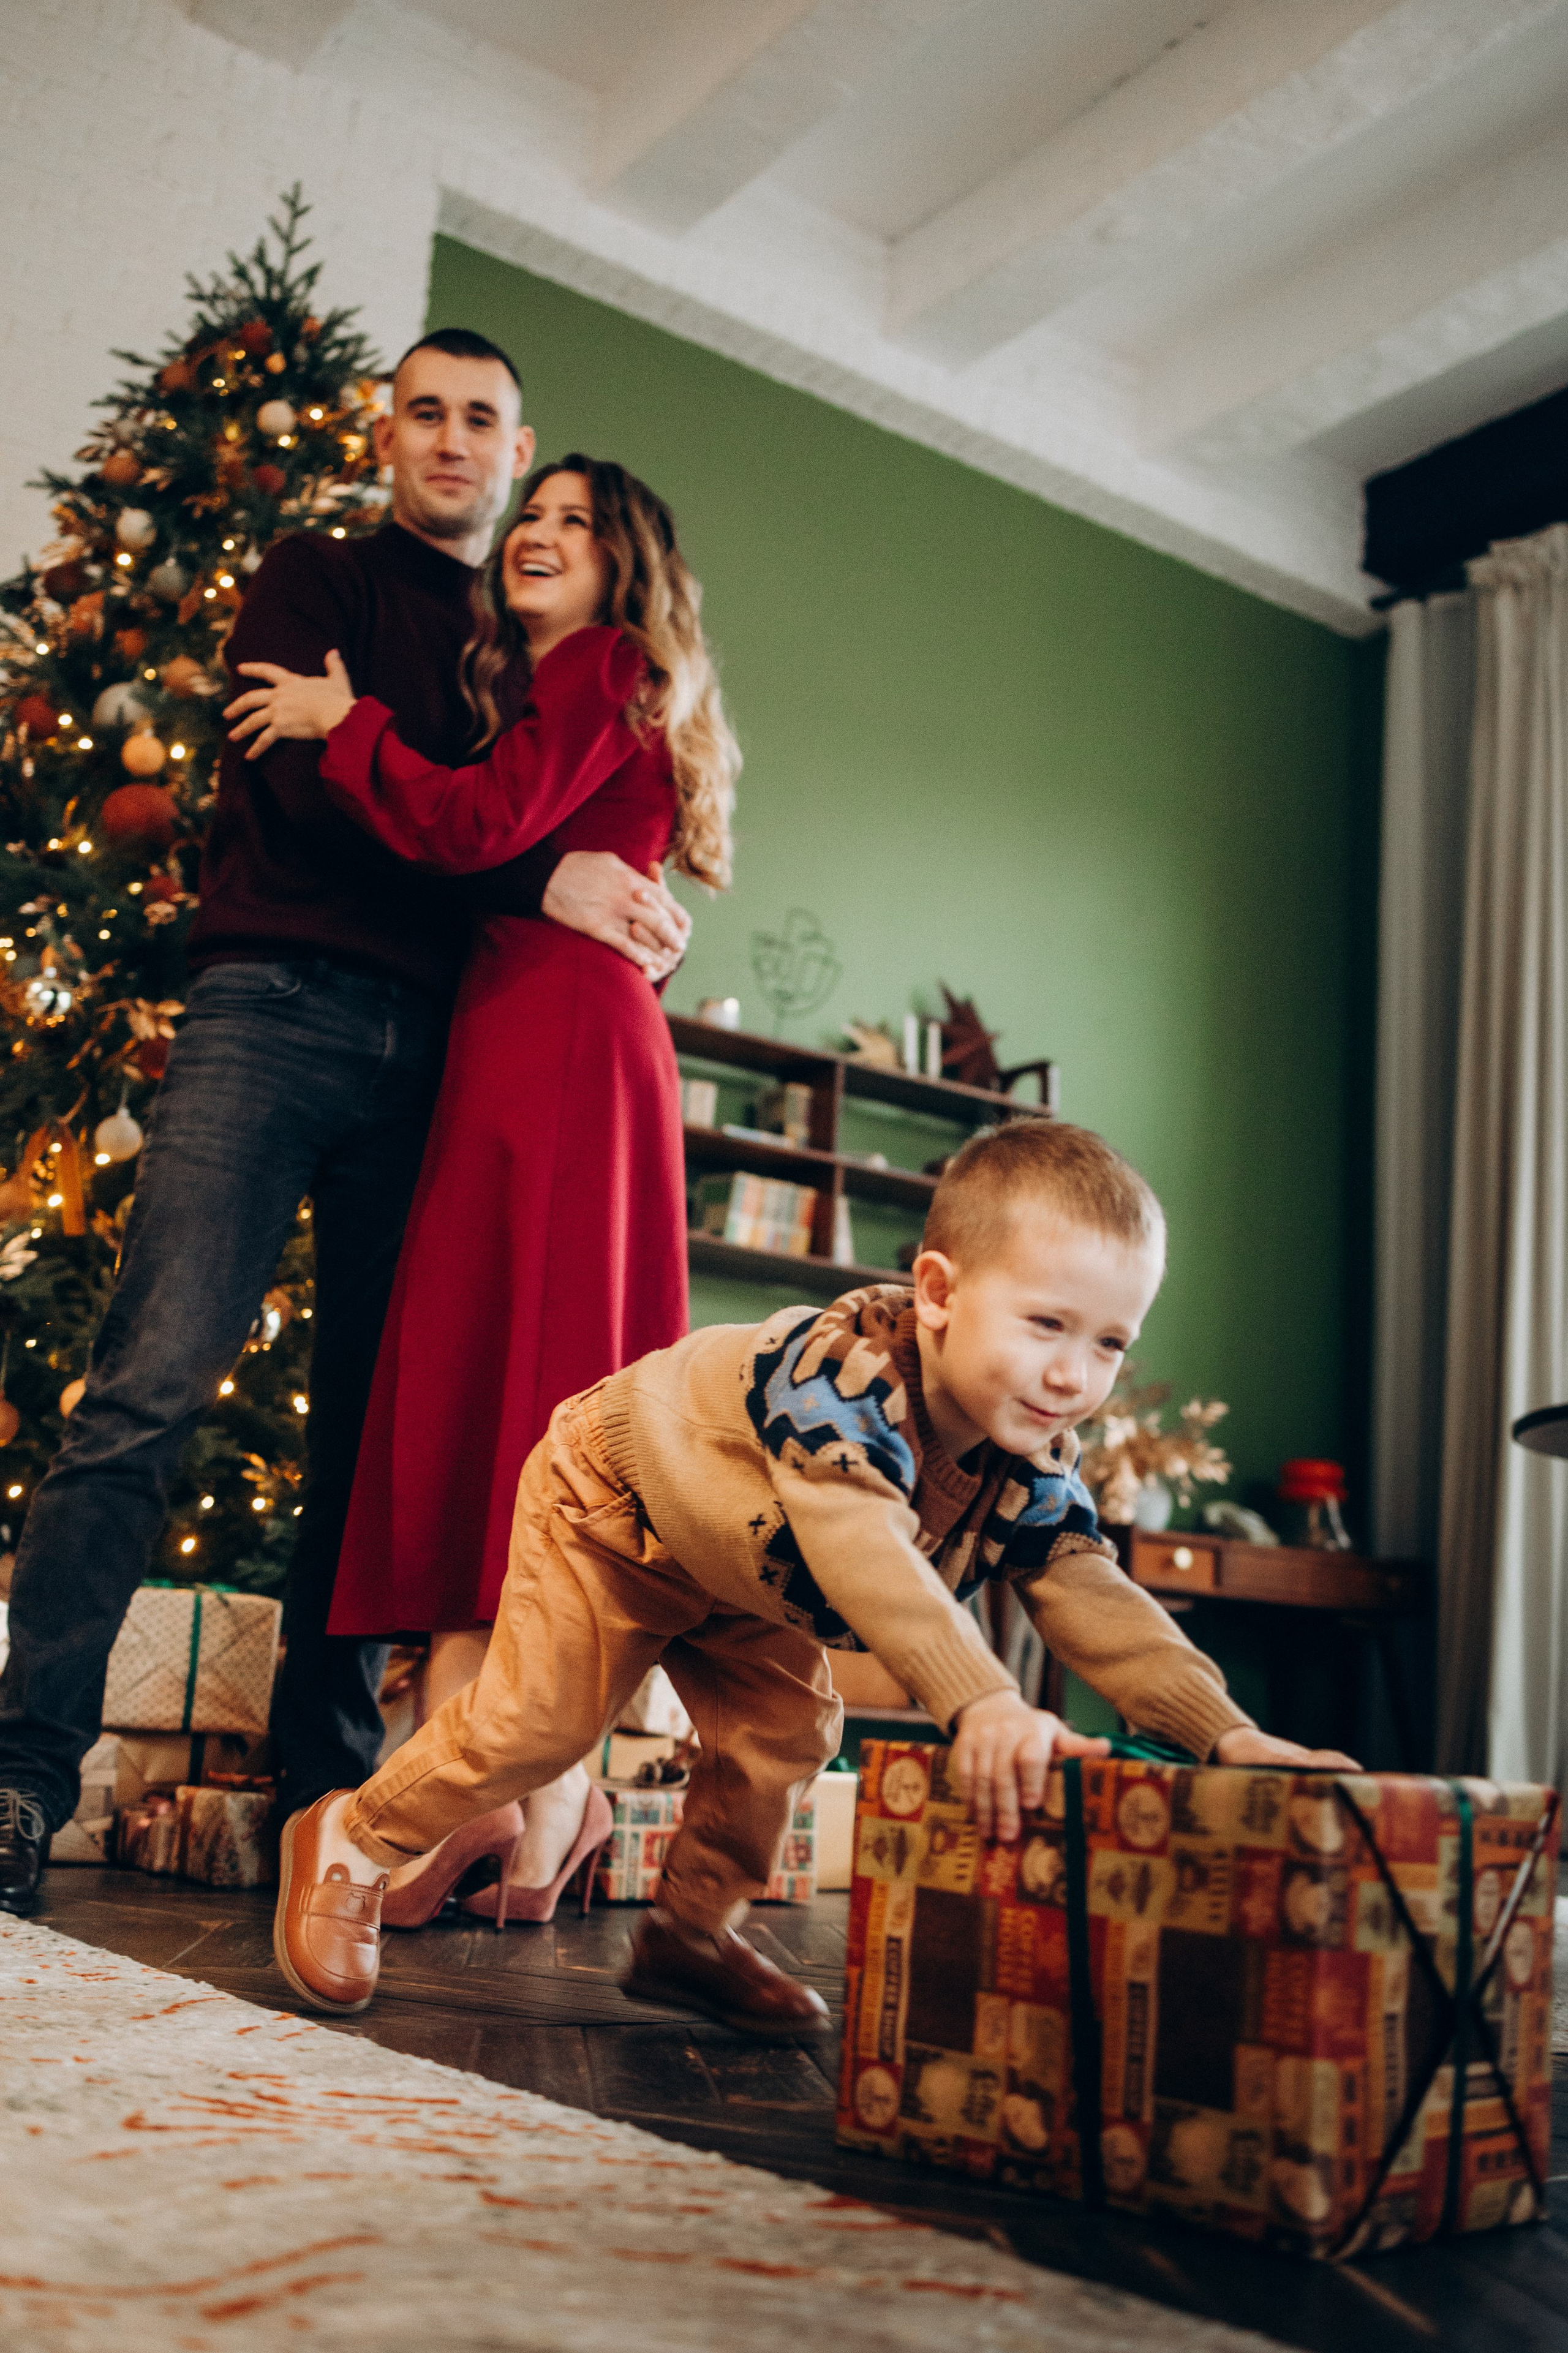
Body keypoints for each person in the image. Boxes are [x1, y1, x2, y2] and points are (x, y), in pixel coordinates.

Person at [0, 329, 691, 1914]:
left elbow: (536, 797)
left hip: (446, 1057)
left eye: (484, 422)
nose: (456, 444)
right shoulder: (313, 580)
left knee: (372, 1448)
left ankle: (331, 1809)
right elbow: (314, 795)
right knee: (149, 1389)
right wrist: (543, 879)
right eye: (428, 414)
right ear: (388, 435)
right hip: (274, 1009)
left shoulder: (534, 638)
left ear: (519, 450)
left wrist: (598, 880)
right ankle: (27, 1781)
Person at [271, 1118, 1358, 2030]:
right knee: (542, 1721)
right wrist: (978, 1698)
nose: (1076, 1374)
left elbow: (1087, 1584)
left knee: (787, 1735)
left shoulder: (1030, 1453)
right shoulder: (846, 1368)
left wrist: (1224, 1732)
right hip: (618, 1502)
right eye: (1046, 1325)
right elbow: (857, 1540)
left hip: (746, 1576)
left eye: (1112, 1343)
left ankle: (687, 1936)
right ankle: (352, 1836)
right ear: (936, 1290)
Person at [226, 454, 737, 1918]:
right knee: (504, 1422)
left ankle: (508, 1797)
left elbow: (470, 825)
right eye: (537, 514)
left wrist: (343, 721)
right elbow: (512, 841)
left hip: (557, 1053)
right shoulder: (557, 685)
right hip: (530, 1039)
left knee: (522, 1418)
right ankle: (517, 1799)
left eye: (576, 522)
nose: (540, 533)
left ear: (624, 566)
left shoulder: (601, 663)